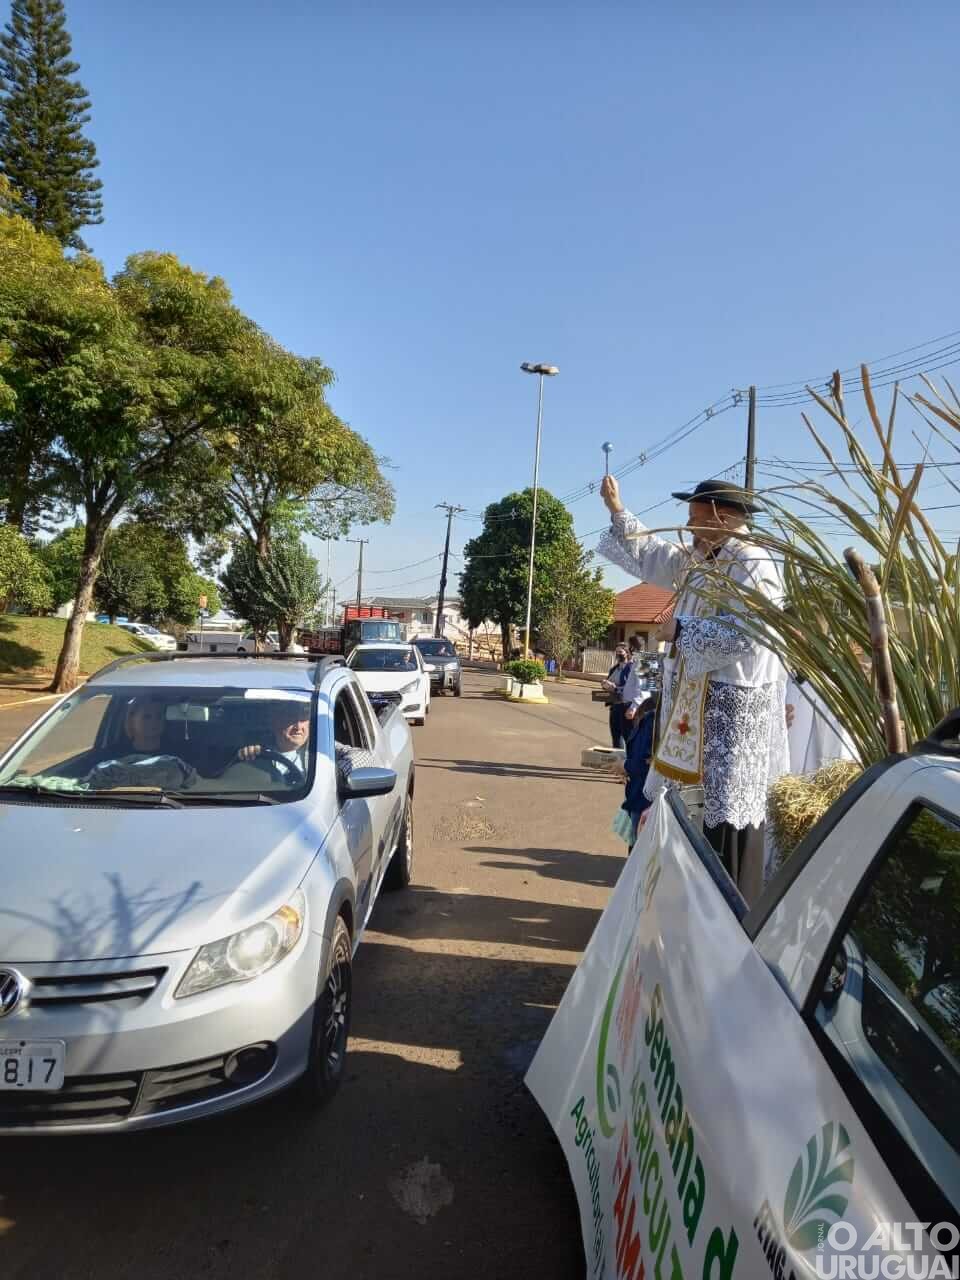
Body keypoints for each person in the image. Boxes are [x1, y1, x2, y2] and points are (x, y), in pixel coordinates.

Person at [599, 474, 787, 900]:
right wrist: (617, 509)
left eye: (695, 518)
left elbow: (753, 631)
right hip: (691, 712)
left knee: (726, 832)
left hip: (730, 719)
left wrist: (680, 629)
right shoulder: (703, 559)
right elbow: (653, 551)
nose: (688, 528)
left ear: (721, 518)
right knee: (689, 825)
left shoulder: (753, 562)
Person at [601, 645, 631, 747]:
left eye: (620, 652)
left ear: (626, 653)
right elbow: (609, 684)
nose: (618, 654)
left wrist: (615, 688)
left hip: (625, 706)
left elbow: (631, 688)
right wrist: (605, 685)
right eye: (616, 652)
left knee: (627, 736)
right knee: (616, 737)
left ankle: (628, 760)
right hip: (614, 706)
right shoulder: (614, 669)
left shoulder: (630, 668)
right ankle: (618, 758)